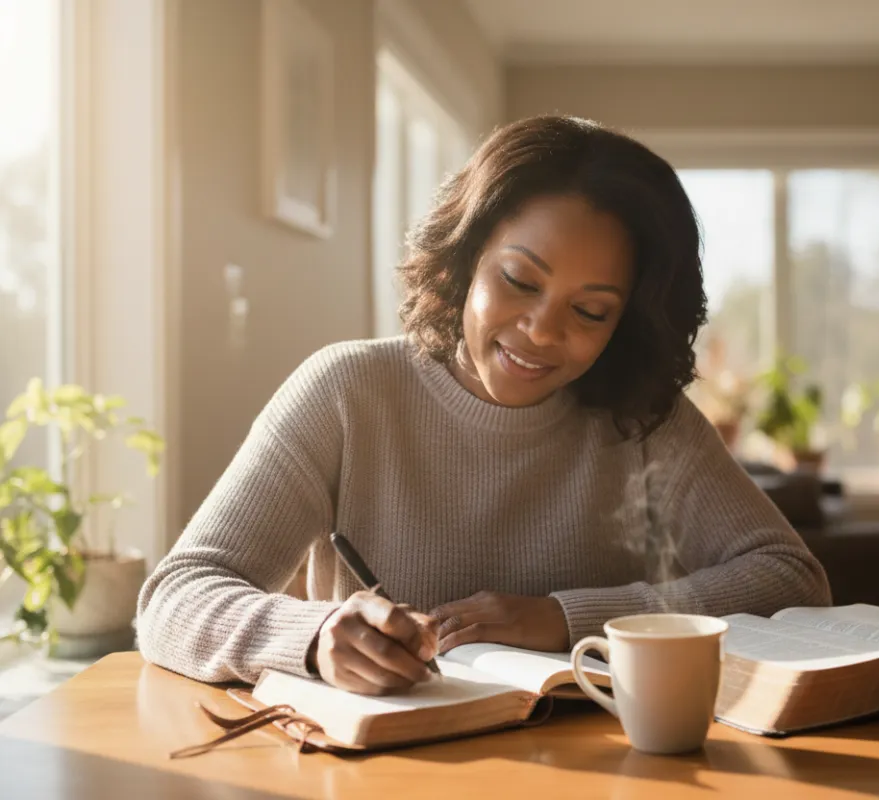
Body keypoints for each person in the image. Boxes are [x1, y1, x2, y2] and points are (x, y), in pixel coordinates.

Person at [137, 115, 831, 695]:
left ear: (628, 321)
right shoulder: (347, 394)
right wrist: (314, 638)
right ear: (466, 255)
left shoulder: (644, 420)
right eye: (519, 280)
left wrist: (567, 620)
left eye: (590, 311)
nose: (541, 331)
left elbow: (792, 578)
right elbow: (176, 596)